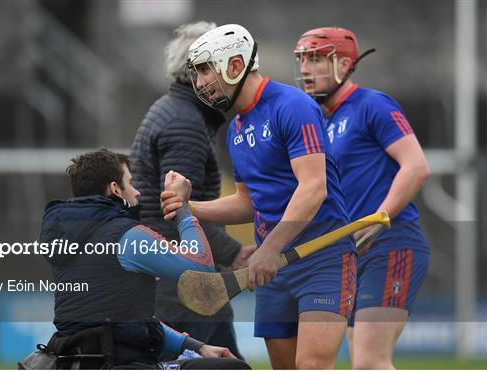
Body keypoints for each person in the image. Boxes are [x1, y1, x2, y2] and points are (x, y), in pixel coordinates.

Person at [161, 24, 356, 369]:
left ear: (235, 65)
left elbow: (313, 187)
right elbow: (248, 202)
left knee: (311, 366)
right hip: (275, 270)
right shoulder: (236, 130)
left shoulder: (293, 105)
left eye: (206, 70)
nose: (201, 83)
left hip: (320, 260)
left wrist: (269, 247)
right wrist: (190, 207)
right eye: (197, 74)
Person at [293, 27, 431, 369]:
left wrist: (377, 218)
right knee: (360, 362)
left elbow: (416, 166)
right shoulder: (319, 121)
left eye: (315, 59)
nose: (306, 69)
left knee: (370, 363)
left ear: (343, 63)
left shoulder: (372, 105)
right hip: (349, 254)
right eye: (302, 60)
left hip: (390, 245)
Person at [39, 148, 250, 369]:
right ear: (115, 189)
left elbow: (124, 323)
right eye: (130, 183)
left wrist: (196, 346)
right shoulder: (126, 235)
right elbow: (202, 271)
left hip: (78, 363)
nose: (137, 192)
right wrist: (182, 207)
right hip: (121, 363)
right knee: (235, 368)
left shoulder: (67, 240)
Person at [131, 21, 254, 360]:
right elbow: (178, 209)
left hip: (171, 277)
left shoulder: (172, 110)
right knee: (228, 364)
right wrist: (234, 253)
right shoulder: (184, 123)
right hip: (185, 284)